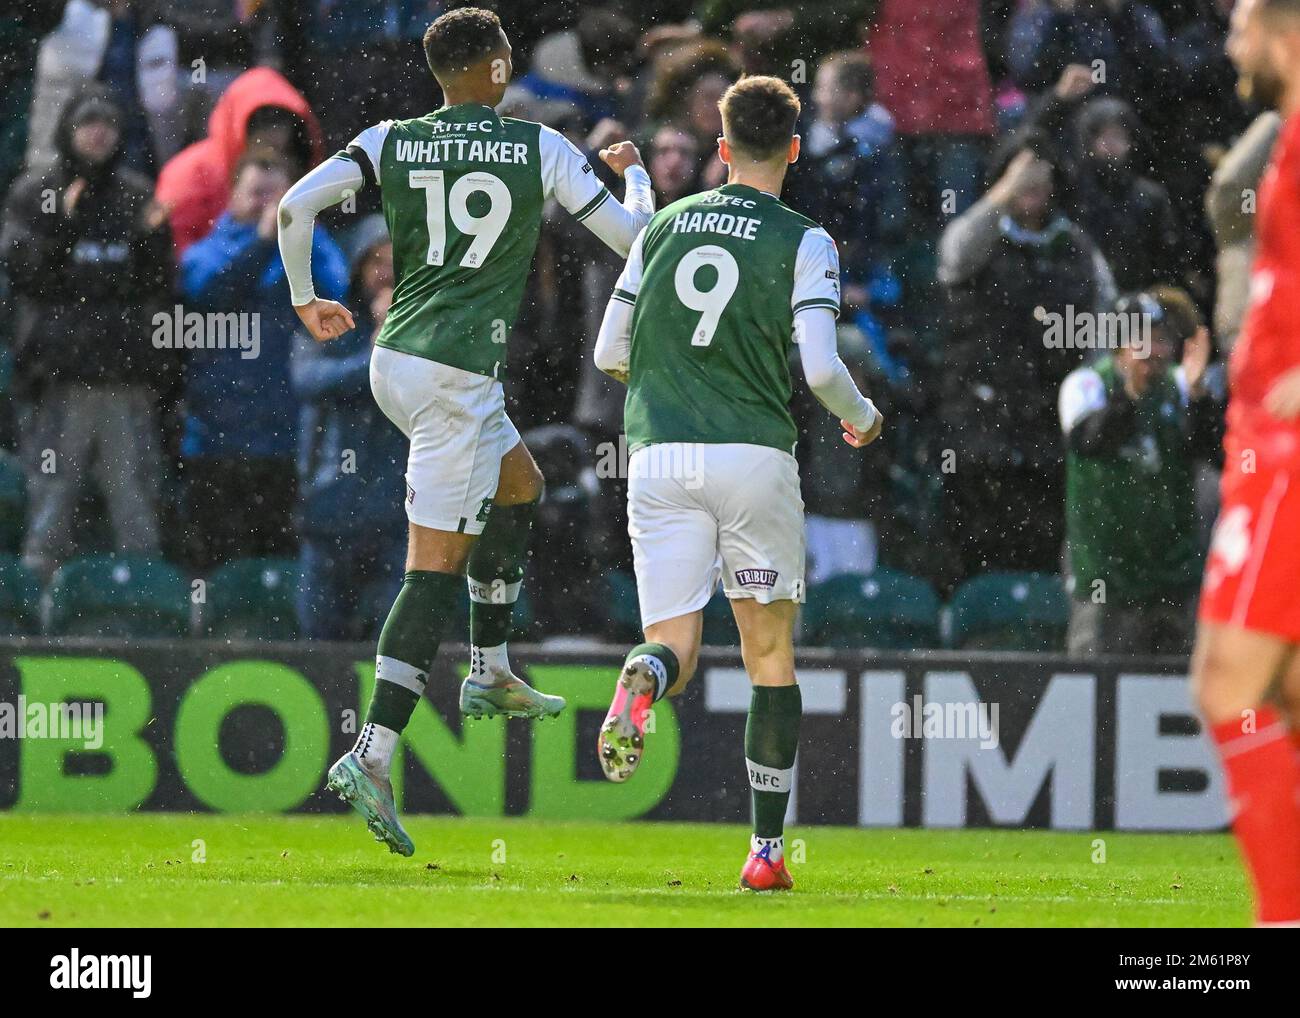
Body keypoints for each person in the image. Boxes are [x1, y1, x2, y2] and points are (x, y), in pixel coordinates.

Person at [277, 7, 654, 857]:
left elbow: (296, 207)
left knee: (521, 483)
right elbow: (633, 242)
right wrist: (634, 177)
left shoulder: (391, 138)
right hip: (452, 381)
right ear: (492, 72)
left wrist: (305, 297)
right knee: (433, 570)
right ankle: (371, 755)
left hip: (400, 358)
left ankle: (489, 670)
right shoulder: (538, 148)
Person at [592, 76, 883, 891]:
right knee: (768, 652)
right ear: (793, 148)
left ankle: (643, 677)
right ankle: (764, 853)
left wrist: (674, 372)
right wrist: (863, 416)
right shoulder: (806, 239)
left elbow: (608, 354)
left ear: (720, 149)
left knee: (677, 646)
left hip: (658, 458)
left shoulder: (658, 230)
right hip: (753, 457)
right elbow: (822, 367)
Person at [1192, 0, 1300, 928]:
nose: (1229, 44)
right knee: (1287, 694)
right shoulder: (1284, 141)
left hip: (1288, 454)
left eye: (1242, 26)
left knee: (1227, 682)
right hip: (1260, 443)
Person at [0, 85, 175, 581]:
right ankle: (38, 607)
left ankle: (142, 606)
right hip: (59, 380)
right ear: (67, 131)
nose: (98, 132)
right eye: (87, 122)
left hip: (125, 380)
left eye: (109, 124)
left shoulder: (139, 196)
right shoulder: (36, 194)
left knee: (134, 499)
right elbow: (22, 270)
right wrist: (65, 229)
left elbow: (159, 282)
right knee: (51, 499)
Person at [1060, 290, 1222, 656]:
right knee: (1097, 686)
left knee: (1178, 692)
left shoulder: (1180, 387)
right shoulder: (1087, 385)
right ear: (1119, 344)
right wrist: (1129, 396)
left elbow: (1212, 454)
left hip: (1171, 575)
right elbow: (1090, 441)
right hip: (1105, 573)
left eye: (1162, 339)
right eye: (1142, 339)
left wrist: (1198, 398)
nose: (1154, 351)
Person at [291, 215, 406, 641]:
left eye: (396, 262)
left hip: (398, 508)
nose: (386, 272)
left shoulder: (426, 330)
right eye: (376, 259)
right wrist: (374, 355)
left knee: (393, 643)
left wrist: (398, 340)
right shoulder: (328, 320)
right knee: (318, 638)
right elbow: (309, 381)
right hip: (330, 504)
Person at [155, 67, 322, 256]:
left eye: (281, 120)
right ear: (237, 117)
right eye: (262, 120)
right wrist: (253, 245)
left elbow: (331, 278)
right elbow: (180, 262)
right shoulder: (190, 172)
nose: (273, 132)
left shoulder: (299, 171)